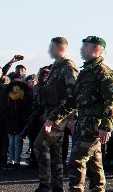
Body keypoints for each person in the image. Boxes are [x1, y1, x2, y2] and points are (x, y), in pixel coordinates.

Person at [43, 36, 113, 192]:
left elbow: (111, 102)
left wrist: (106, 127)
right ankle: (98, 189)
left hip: (94, 126)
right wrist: (53, 119)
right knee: (94, 163)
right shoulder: (85, 72)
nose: (81, 50)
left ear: (96, 49)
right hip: (83, 124)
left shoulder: (103, 73)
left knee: (76, 160)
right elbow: (72, 100)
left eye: (85, 46)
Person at [34, 37, 79, 192]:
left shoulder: (68, 66)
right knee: (55, 151)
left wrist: (72, 117)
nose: (49, 50)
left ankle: (45, 184)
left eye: (52, 47)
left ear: (61, 49)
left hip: (59, 115)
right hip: (51, 113)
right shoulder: (55, 67)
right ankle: (56, 186)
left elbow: (74, 94)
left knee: (40, 145)